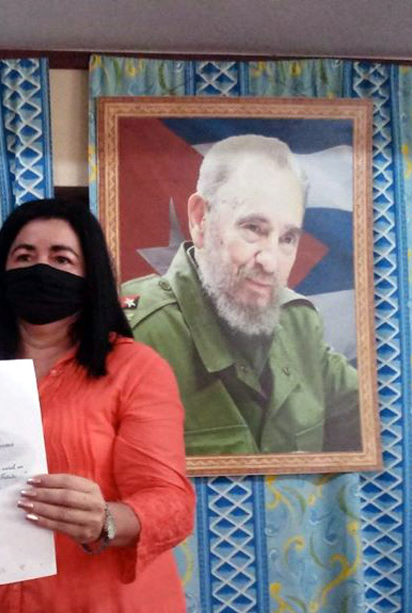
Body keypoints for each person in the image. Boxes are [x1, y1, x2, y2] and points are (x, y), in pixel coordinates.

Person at [0, 198, 195, 613]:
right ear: (2, 271)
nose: (40, 268)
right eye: (24, 256)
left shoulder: (135, 370)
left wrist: (107, 520)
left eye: (61, 258)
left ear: (91, 276)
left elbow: (172, 503)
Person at [122, 134, 361, 456]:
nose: (270, 262)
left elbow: (384, 427)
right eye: (253, 228)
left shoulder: (299, 325)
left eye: (287, 238)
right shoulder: (132, 334)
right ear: (200, 219)